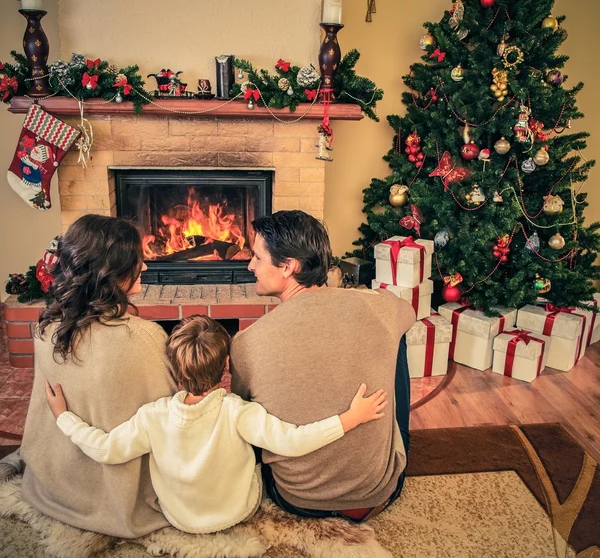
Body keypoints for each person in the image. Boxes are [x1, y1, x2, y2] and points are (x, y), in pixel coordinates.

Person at [44, 315, 388, 534]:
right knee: (266, 455)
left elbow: (106, 449)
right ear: (226, 364)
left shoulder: (152, 417)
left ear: (173, 369)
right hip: (238, 511)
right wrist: (349, 418)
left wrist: (64, 417)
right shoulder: (238, 412)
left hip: (180, 518)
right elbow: (292, 441)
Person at [230, 210, 416, 522]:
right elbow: (408, 312)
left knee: (249, 408)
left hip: (297, 497)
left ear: (288, 266)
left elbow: (243, 422)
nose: (250, 265)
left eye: (257, 258)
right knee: (396, 338)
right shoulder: (380, 306)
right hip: (376, 491)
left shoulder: (246, 342)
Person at [19, 214, 178, 538]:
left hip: (55, 481)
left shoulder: (47, 328)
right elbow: (170, 414)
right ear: (112, 273)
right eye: (137, 261)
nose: (145, 267)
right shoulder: (145, 338)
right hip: (119, 496)